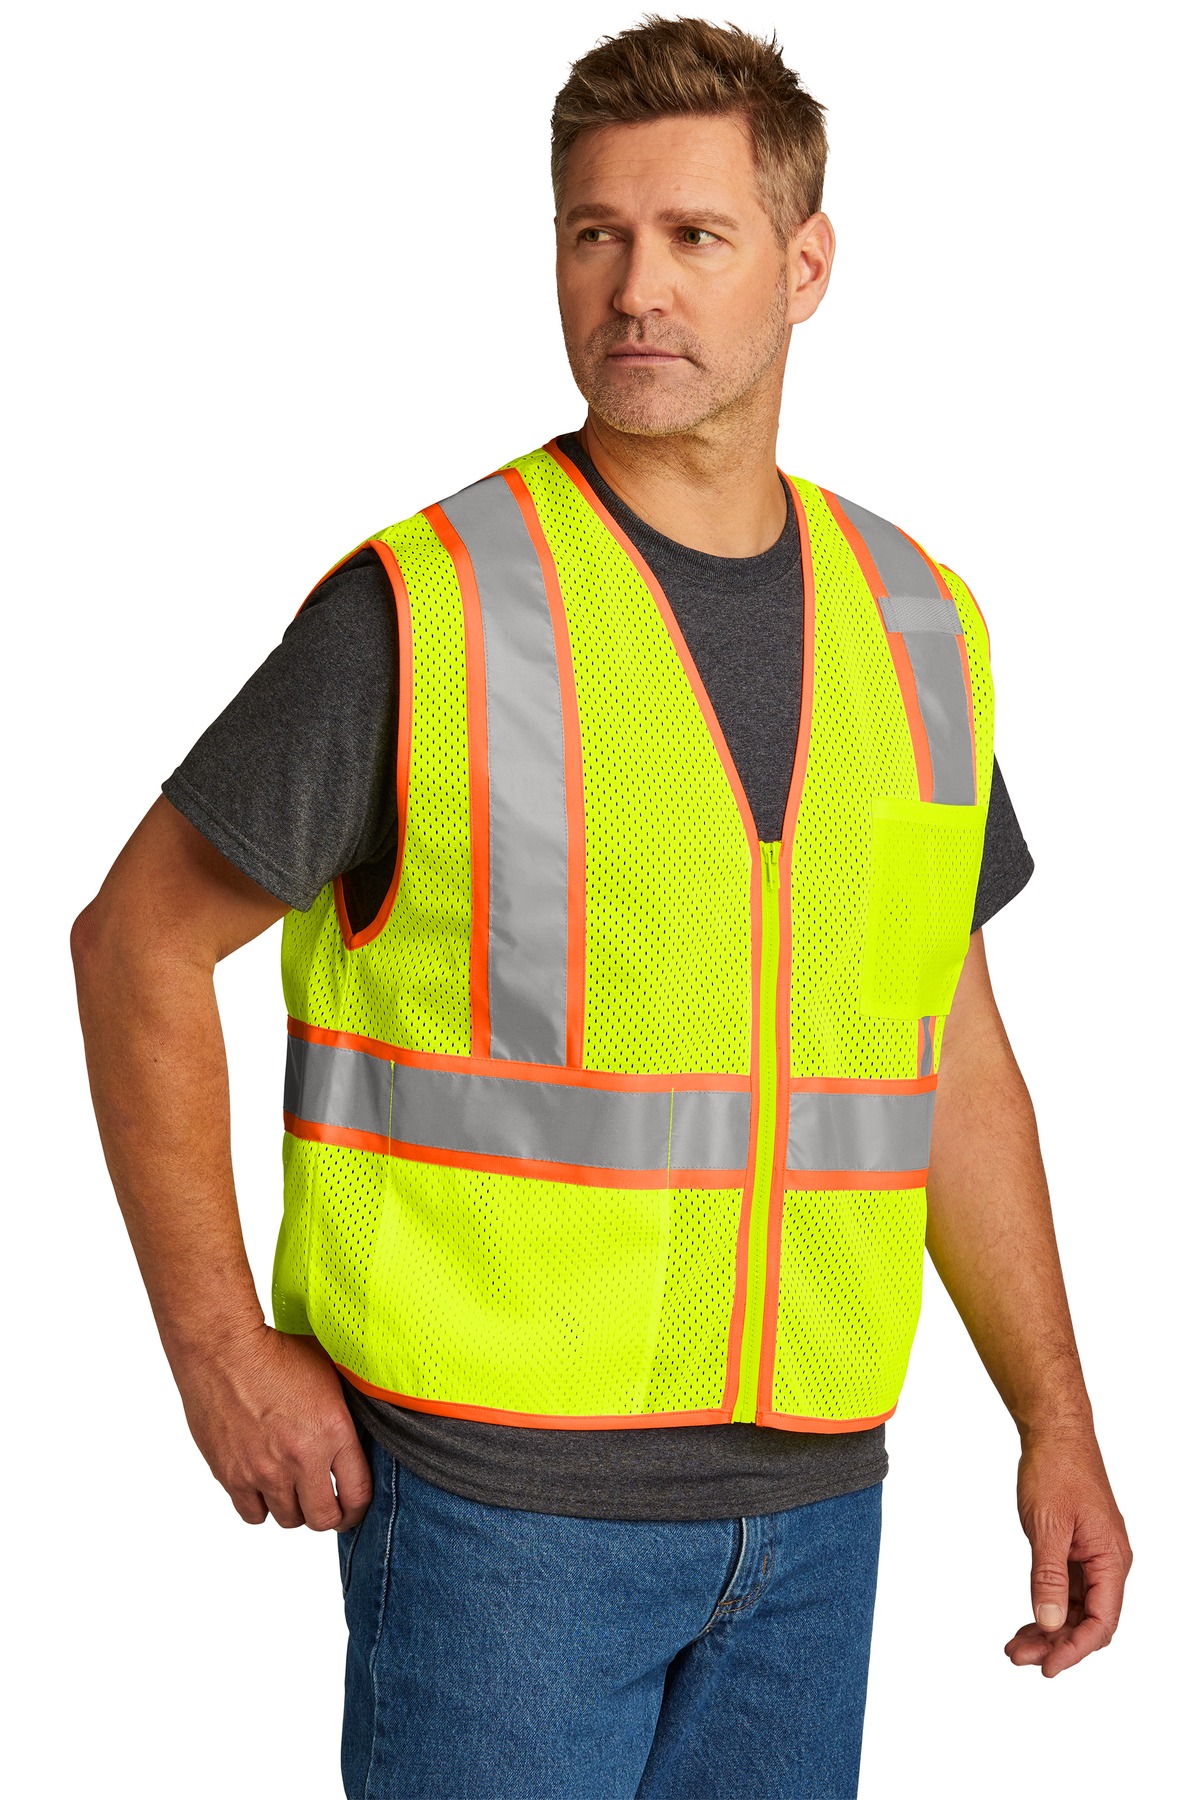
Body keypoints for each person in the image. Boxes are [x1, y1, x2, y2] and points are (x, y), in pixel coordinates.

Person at [71, 16, 1131, 1799]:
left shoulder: (916, 624)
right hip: (498, 1520)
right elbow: (137, 946)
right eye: (594, 234)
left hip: (817, 1518)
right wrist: (218, 1353)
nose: (636, 287)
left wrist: (1059, 1419)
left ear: (806, 266)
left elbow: (941, 1043)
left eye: (695, 236)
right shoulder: (429, 609)